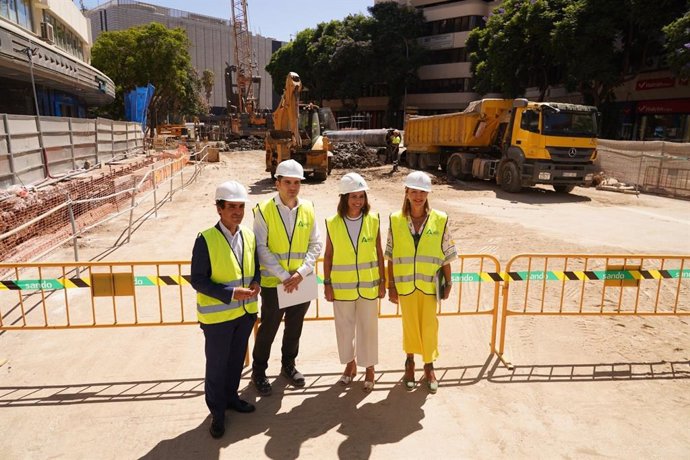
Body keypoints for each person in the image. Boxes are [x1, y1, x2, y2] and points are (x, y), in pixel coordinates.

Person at [190, 180, 261, 439]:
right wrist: (230, 293)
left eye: (241, 206)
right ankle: (217, 413)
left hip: (244, 315)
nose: (237, 212)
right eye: (231, 206)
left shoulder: (249, 236)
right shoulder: (206, 240)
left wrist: (256, 283)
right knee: (217, 366)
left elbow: (255, 270)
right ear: (219, 209)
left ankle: (231, 399)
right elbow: (198, 279)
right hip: (218, 318)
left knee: (234, 364)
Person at [251, 159, 323, 396]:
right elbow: (261, 247)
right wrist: (284, 276)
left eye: (297, 182)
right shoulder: (263, 210)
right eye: (288, 182)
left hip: (302, 280)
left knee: (295, 327)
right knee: (268, 329)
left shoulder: (309, 208)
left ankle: (288, 365)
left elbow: (316, 244)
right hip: (275, 282)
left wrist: (301, 273)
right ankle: (259, 372)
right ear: (277, 183)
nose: (293, 187)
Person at [386, 171, 456, 394]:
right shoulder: (395, 220)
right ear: (406, 193)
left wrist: (449, 282)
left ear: (428, 194)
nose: (418, 196)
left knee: (429, 326)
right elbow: (390, 255)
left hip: (429, 285)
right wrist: (391, 286)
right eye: (414, 191)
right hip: (406, 284)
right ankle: (409, 363)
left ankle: (429, 365)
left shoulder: (441, 219)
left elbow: (446, 253)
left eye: (422, 192)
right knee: (409, 326)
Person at [323, 172, 385, 392]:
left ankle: (369, 368)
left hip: (368, 285)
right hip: (342, 287)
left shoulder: (373, 219)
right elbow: (328, 255)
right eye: (353, 197)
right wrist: (327, 284)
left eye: (361, 196)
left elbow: (378, 252)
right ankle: (350, 366)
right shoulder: (333, 223)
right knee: (345, 330)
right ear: (344, 199)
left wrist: (382, 281)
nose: (358, 201)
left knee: (368, 329)